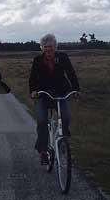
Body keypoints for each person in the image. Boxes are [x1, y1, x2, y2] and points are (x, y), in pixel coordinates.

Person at [29, 33, 80, 163]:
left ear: (55, 47)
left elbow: (71, 74)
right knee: (42, 121)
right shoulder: (37, 60)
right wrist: (33, 91)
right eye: (45, 47)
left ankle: (62, 140)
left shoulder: (62, 57)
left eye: (51, 46)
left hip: (60, 92)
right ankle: (43, 151)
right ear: (42, 48)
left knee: (66, 117)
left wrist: (75, 90)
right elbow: (33, 78)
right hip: (42, 94)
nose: (48, 49)